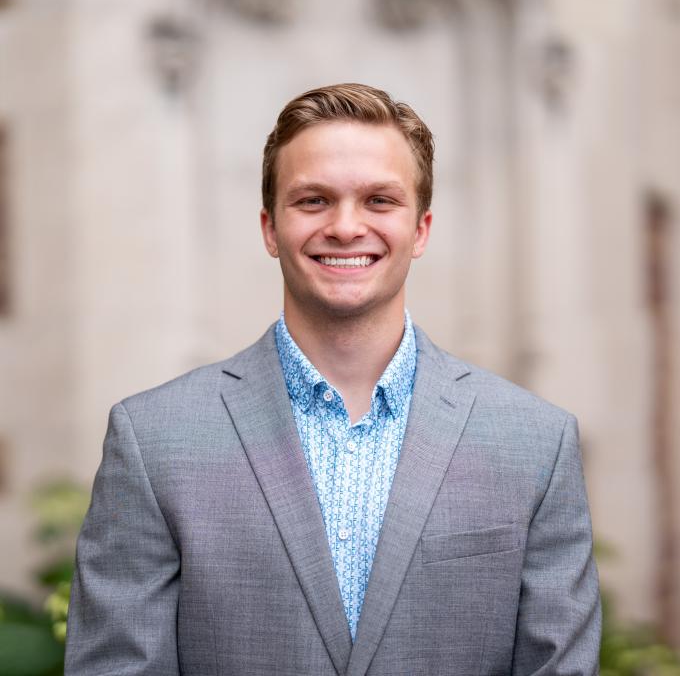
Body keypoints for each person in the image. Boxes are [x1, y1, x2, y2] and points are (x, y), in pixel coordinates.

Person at [65, 83, 601, 675]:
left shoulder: (535, 442)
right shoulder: (152, 439)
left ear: (421, 229)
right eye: (314, 200)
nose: (346, 227)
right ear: (270, 228)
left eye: (379, 200)